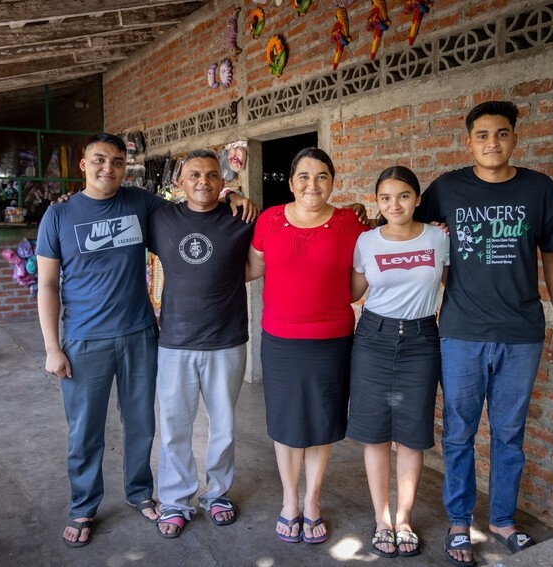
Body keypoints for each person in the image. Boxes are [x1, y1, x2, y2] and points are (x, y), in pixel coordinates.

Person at [37, 134, 253, 548]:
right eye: (99, 161)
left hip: (140, 333)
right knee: (85, 429)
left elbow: (195, 201)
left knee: (143, 424)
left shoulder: (141, 203)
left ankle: (140, 493)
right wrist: (51, 346)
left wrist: (234, 191)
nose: (108, 169)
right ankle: (83, 506)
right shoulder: (59, 216)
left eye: (117, 162)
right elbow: (47, 285)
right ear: (83, 165)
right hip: (84, 338)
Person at [415, 101, 553, 566]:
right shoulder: (446, 188)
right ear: (469, 142)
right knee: (459, 433)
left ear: (514, 139)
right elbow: (410, 231)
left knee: (509, 433)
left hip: (521, 333)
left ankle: (504, 520)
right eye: (482, 135)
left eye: (501, 134)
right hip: (460, 332)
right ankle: (459, 522)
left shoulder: (539, 189)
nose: (492, 143)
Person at [246, 147, 368, 545]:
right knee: (286, 425)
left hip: (332, 340)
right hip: (280, 340)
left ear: (333, 182)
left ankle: (312, 502)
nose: (312, 185)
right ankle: (289, 503)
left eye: (321, 176)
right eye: (303, 176)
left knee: (320, 425)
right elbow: (253, 268)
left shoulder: (351, 223)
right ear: (291, 181)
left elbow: (360, 280)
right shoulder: (269, 220)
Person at [149, 150, 255, 539]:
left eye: (212, 175)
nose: (203, 182)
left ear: (222, 181)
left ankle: (218, 494)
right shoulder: (161, 218)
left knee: (223, 425)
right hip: (175, 340)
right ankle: (176, 501)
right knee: (175, 426)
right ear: (180, 181)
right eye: (194, 174)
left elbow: (261, 258)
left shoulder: (239, 218)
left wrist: (235, 196)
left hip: (226, 339)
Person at [348, 166, 449, 558]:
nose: (395, 204)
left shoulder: (438, 238)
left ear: (418, 199)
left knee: (411, 433)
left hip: (423, 339)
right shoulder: (366, 241)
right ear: (378, 202)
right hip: (373, 337)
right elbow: (354, 294)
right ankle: (382, 519)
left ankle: (403, 519)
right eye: (386, 198)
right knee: (375, 433)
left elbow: (453, 287)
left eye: (404, 196)